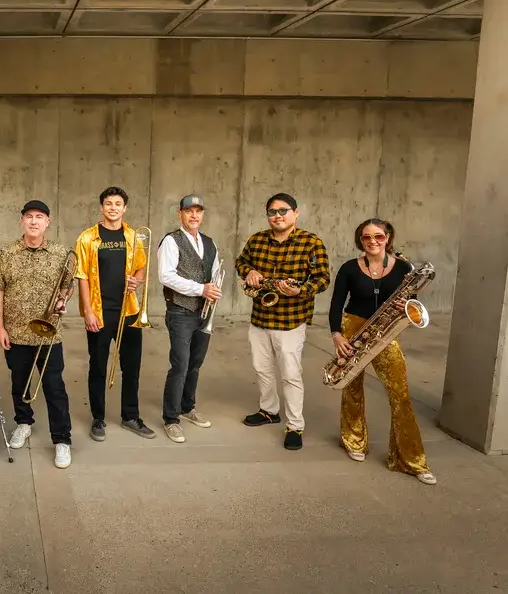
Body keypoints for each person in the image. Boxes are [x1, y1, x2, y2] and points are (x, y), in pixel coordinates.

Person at [328, 218, 437, 485]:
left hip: (385, 329)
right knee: (352, 387)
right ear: (360, 240)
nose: (373, 241)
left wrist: (406, 304)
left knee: (400, 395)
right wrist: (337, 335)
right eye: (367, 237)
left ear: (388, 238)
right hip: (353, 328)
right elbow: (336, 304)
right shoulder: (349, 268)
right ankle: (354, 440)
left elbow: (412, 300)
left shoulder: (403, 268)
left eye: (379, 236)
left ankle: (411, 460)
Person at [234, 192, 330, 450]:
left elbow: (322, 278)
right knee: (262, 369)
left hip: (291, 321)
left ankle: (295, 425)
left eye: (283, 211)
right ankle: (269, 410)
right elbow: (241, 261)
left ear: (295, 213)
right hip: (260, 317)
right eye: (272, 212)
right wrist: (249, 271)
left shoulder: (311, 242)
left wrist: (300, 290)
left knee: (290, 374)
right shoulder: (257, 239)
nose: (277, 216)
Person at [0, 199, 76, 469]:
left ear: (47, 222)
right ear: (22, 220)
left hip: (49, 334)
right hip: (16, 333)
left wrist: (63, 300)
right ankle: (24, 423)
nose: (34, 221)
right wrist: (0, 328)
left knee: (55, 387)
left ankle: (62, 439)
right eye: (29, 216)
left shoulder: (61, 253)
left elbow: (68, 285)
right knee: (19, 384)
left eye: (39, 217)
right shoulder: (7, 253)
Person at [74, 186, 154, 441]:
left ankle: (130, 416)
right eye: (108, 203)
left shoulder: (133, 236)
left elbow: (141, 267)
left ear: (125, 208)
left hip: (129, 311)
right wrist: (88, 311)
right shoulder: (88, 237)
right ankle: (98, 418)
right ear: (101, 207)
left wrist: (137, 281)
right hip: (100, 311)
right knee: (98, 366)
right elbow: (82, 276)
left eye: (118, 204)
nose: (113, 208)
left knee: (131, 367)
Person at [156, 194, 221, 443]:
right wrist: (201, 289)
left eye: (198, 211)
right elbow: (166, 276)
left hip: (204, 313)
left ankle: (187, 407)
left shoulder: (209, 243)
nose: (194, 215)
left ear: (202, 214)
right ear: (180, 214)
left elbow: (215, 273)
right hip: (180, 312)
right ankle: (171, 419)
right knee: (180, 365)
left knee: (195, 364)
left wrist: (213, 289)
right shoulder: (171, 241)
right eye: (189, 211)